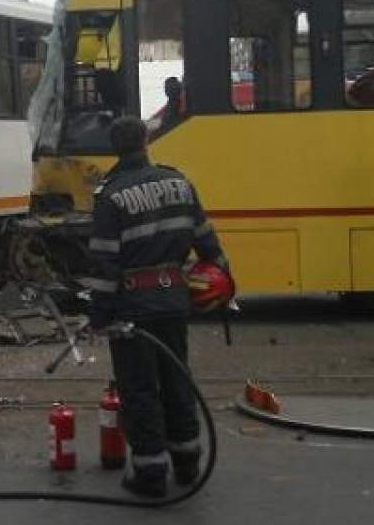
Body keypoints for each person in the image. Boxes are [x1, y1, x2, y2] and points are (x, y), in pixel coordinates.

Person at [83, 116, 229, 498]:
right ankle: (187, 462)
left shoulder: (110, 196)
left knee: (139, 387)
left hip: (133, 309)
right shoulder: (180, 183)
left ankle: (149, 473)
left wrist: (99, 316)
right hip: (174, 303)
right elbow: (207, 243)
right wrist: (225, 281)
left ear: (115, 148)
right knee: (178, 377)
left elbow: (104, 267)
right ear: (146, 141)